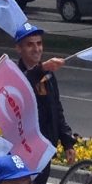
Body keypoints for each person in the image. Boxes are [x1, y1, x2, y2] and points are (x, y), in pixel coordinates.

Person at [12, 23, 76, 153]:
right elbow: (25, 82)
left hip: (45, 147)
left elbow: (56, 109)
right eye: (30, 44)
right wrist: (41, 69)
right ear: (19, 48)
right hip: (23, 148)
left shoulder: (48, 74)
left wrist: (67, 143)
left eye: (39, 43)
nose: (36, 49)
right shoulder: (14, 75)